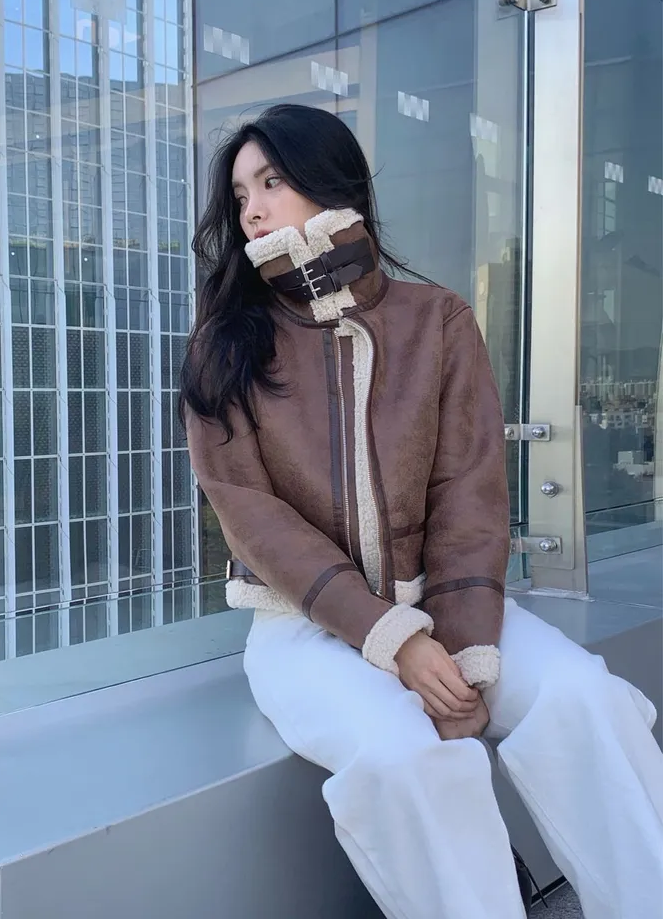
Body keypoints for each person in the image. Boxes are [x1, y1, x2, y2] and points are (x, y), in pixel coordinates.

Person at [181, 103, 663, 919]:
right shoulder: (227, 341)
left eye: (272, 182)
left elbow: (468, 491)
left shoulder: (436, 320)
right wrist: (393, 641)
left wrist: (467, 653)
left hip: (443, 604)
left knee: (584, 699)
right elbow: (251, 516)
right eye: (239, 195)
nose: (252, 209)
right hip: (305, 629)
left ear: (331, 182)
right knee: (406, 759)